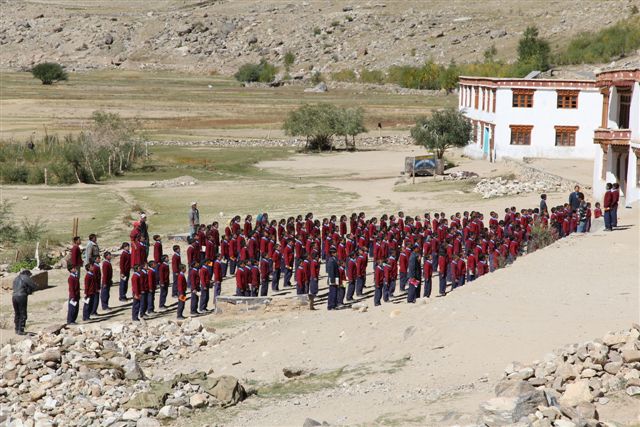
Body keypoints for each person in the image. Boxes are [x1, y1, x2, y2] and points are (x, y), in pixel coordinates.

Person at [12, 270, 38, 335]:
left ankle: (17, 328)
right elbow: (34, 286)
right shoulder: (25, 277)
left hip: (14, 296)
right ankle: (21, 329)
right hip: (21, 296)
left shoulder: (16, 278)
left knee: (17, 313)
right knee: (23, 313)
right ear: (27, 274)